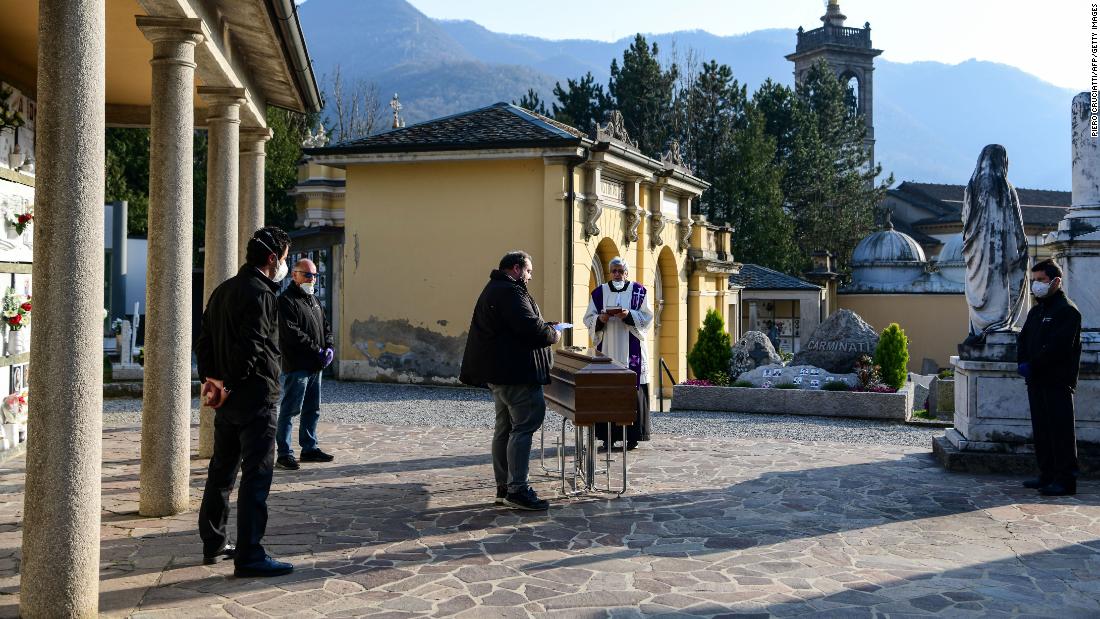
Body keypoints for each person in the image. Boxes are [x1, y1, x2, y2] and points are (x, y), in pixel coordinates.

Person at [196, 226, 295, 577]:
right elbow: (252, 347)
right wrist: (232, 383)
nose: (284, 266)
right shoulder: (262, 294)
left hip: (226, 400)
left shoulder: (222, 290)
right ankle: (250, 553)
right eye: (284, 259)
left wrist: (213, 381)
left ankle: (214, 541)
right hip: (254, 398)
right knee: (257, 475)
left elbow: (204, 340)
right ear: (272, 259)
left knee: (221, 471)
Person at [460, 250, 560, 510]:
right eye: (528, 271)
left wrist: (544, 325)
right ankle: (517, 489)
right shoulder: (509, 291)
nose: (529, 276)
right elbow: (528, 327)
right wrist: (552, 333)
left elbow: (516, 325)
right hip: (516, 374)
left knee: (504, 429)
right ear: (516, 268)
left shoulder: (496, 288)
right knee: (524, 427)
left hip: (501, 373)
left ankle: (504, 487)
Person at [1017, 258, 1082, 496]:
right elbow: (1023, 340)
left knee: (1060, 432)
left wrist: (1033, 365)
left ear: (1056, 281)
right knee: (1042, 430)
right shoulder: (1037, 310)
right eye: (1034, 281)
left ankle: (1065, 480)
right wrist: (1022, 362)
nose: (1037, 286)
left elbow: (1058, 348)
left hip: (1057, 381)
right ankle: (1047, 475)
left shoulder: (1067, 311)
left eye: (1042, 280)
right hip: (1036, 380)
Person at [582, 257, 654, 451]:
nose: (617, 274)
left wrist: (628, 315)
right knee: (608, 391)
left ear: (626, 272)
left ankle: (633, 437)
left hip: (632, 350)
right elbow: (588, 318)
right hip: (608, 349)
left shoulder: (639, 291)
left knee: (633, 389)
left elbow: (647, 318)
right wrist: (600, 318)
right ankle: (608, 437)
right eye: (613, 271)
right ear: (609, 272)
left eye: (620, 271)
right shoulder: (599, 292)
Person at [275, 258, 335, 470]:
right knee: (291, 409)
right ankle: (284, 453)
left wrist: (329, 346)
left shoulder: (314, 300)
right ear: (295, 275)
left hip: (315, 366)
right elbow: (292, 333)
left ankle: (309, 448)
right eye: (308, 274)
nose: (312, 278)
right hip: (298, 365)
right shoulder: (286, 301)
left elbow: (325, 327)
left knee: (313, 409)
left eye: (315, 275)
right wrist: (316, 350)